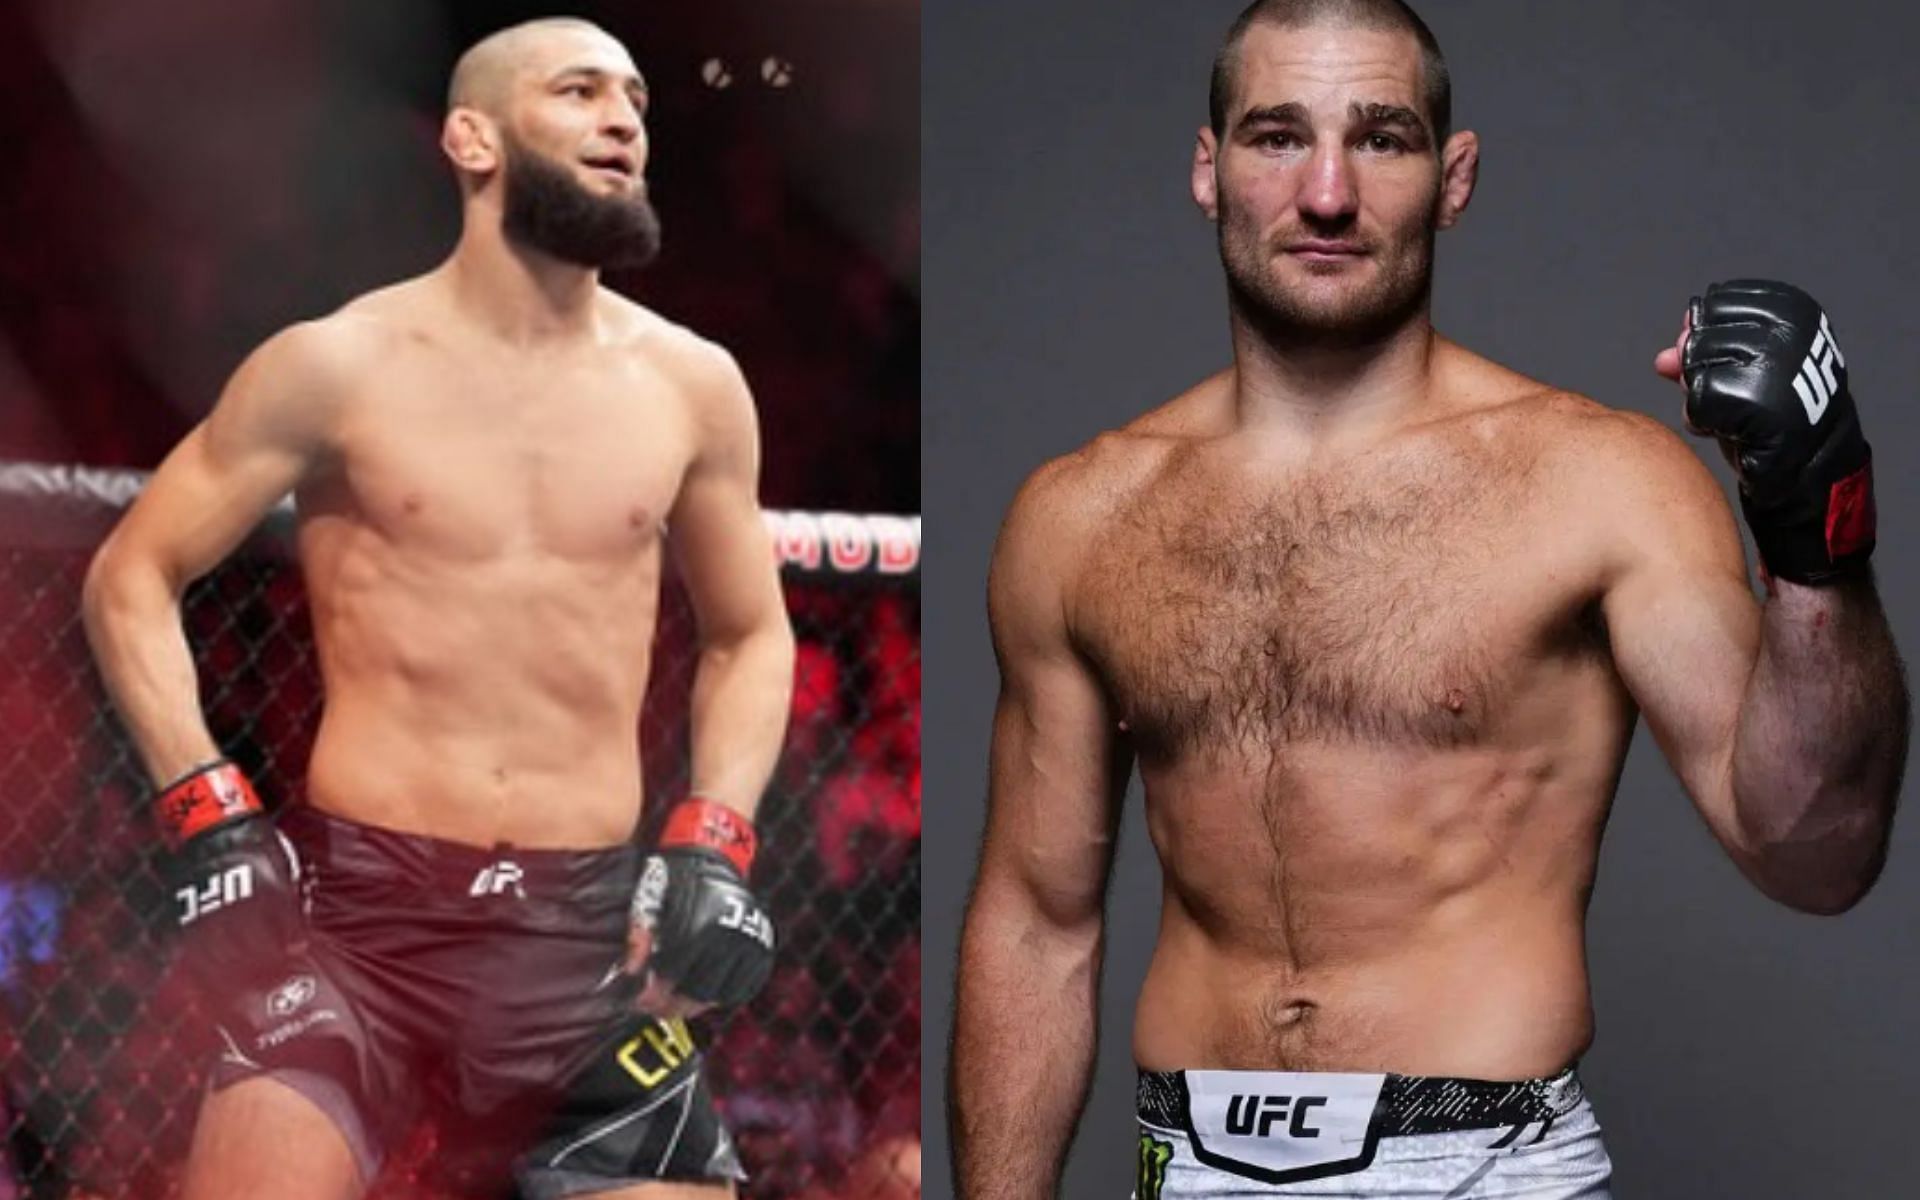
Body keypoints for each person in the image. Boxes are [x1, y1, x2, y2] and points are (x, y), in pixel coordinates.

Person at [948, 2, 1908, 1197]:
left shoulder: (1599, 481)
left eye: (1384, 139)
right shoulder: (1080, 517)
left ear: (1453, 178)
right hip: (1182, 1164)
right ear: (1210, 169)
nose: (1330, 193)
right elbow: (1035, 928)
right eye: (1277, 137)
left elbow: (1816, 853)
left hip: (1482, 1165)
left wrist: (1819, 539)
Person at [81, 16, 795, 1200]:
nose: (624, 120)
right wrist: (212, 819)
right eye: (579, 92)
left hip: (583, 943)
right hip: (361, 932)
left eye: (636, 100)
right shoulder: (336, 364)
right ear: (474, 139)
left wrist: (714, 839)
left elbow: (750, 630)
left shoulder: (693, 386)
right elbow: (130, 577)